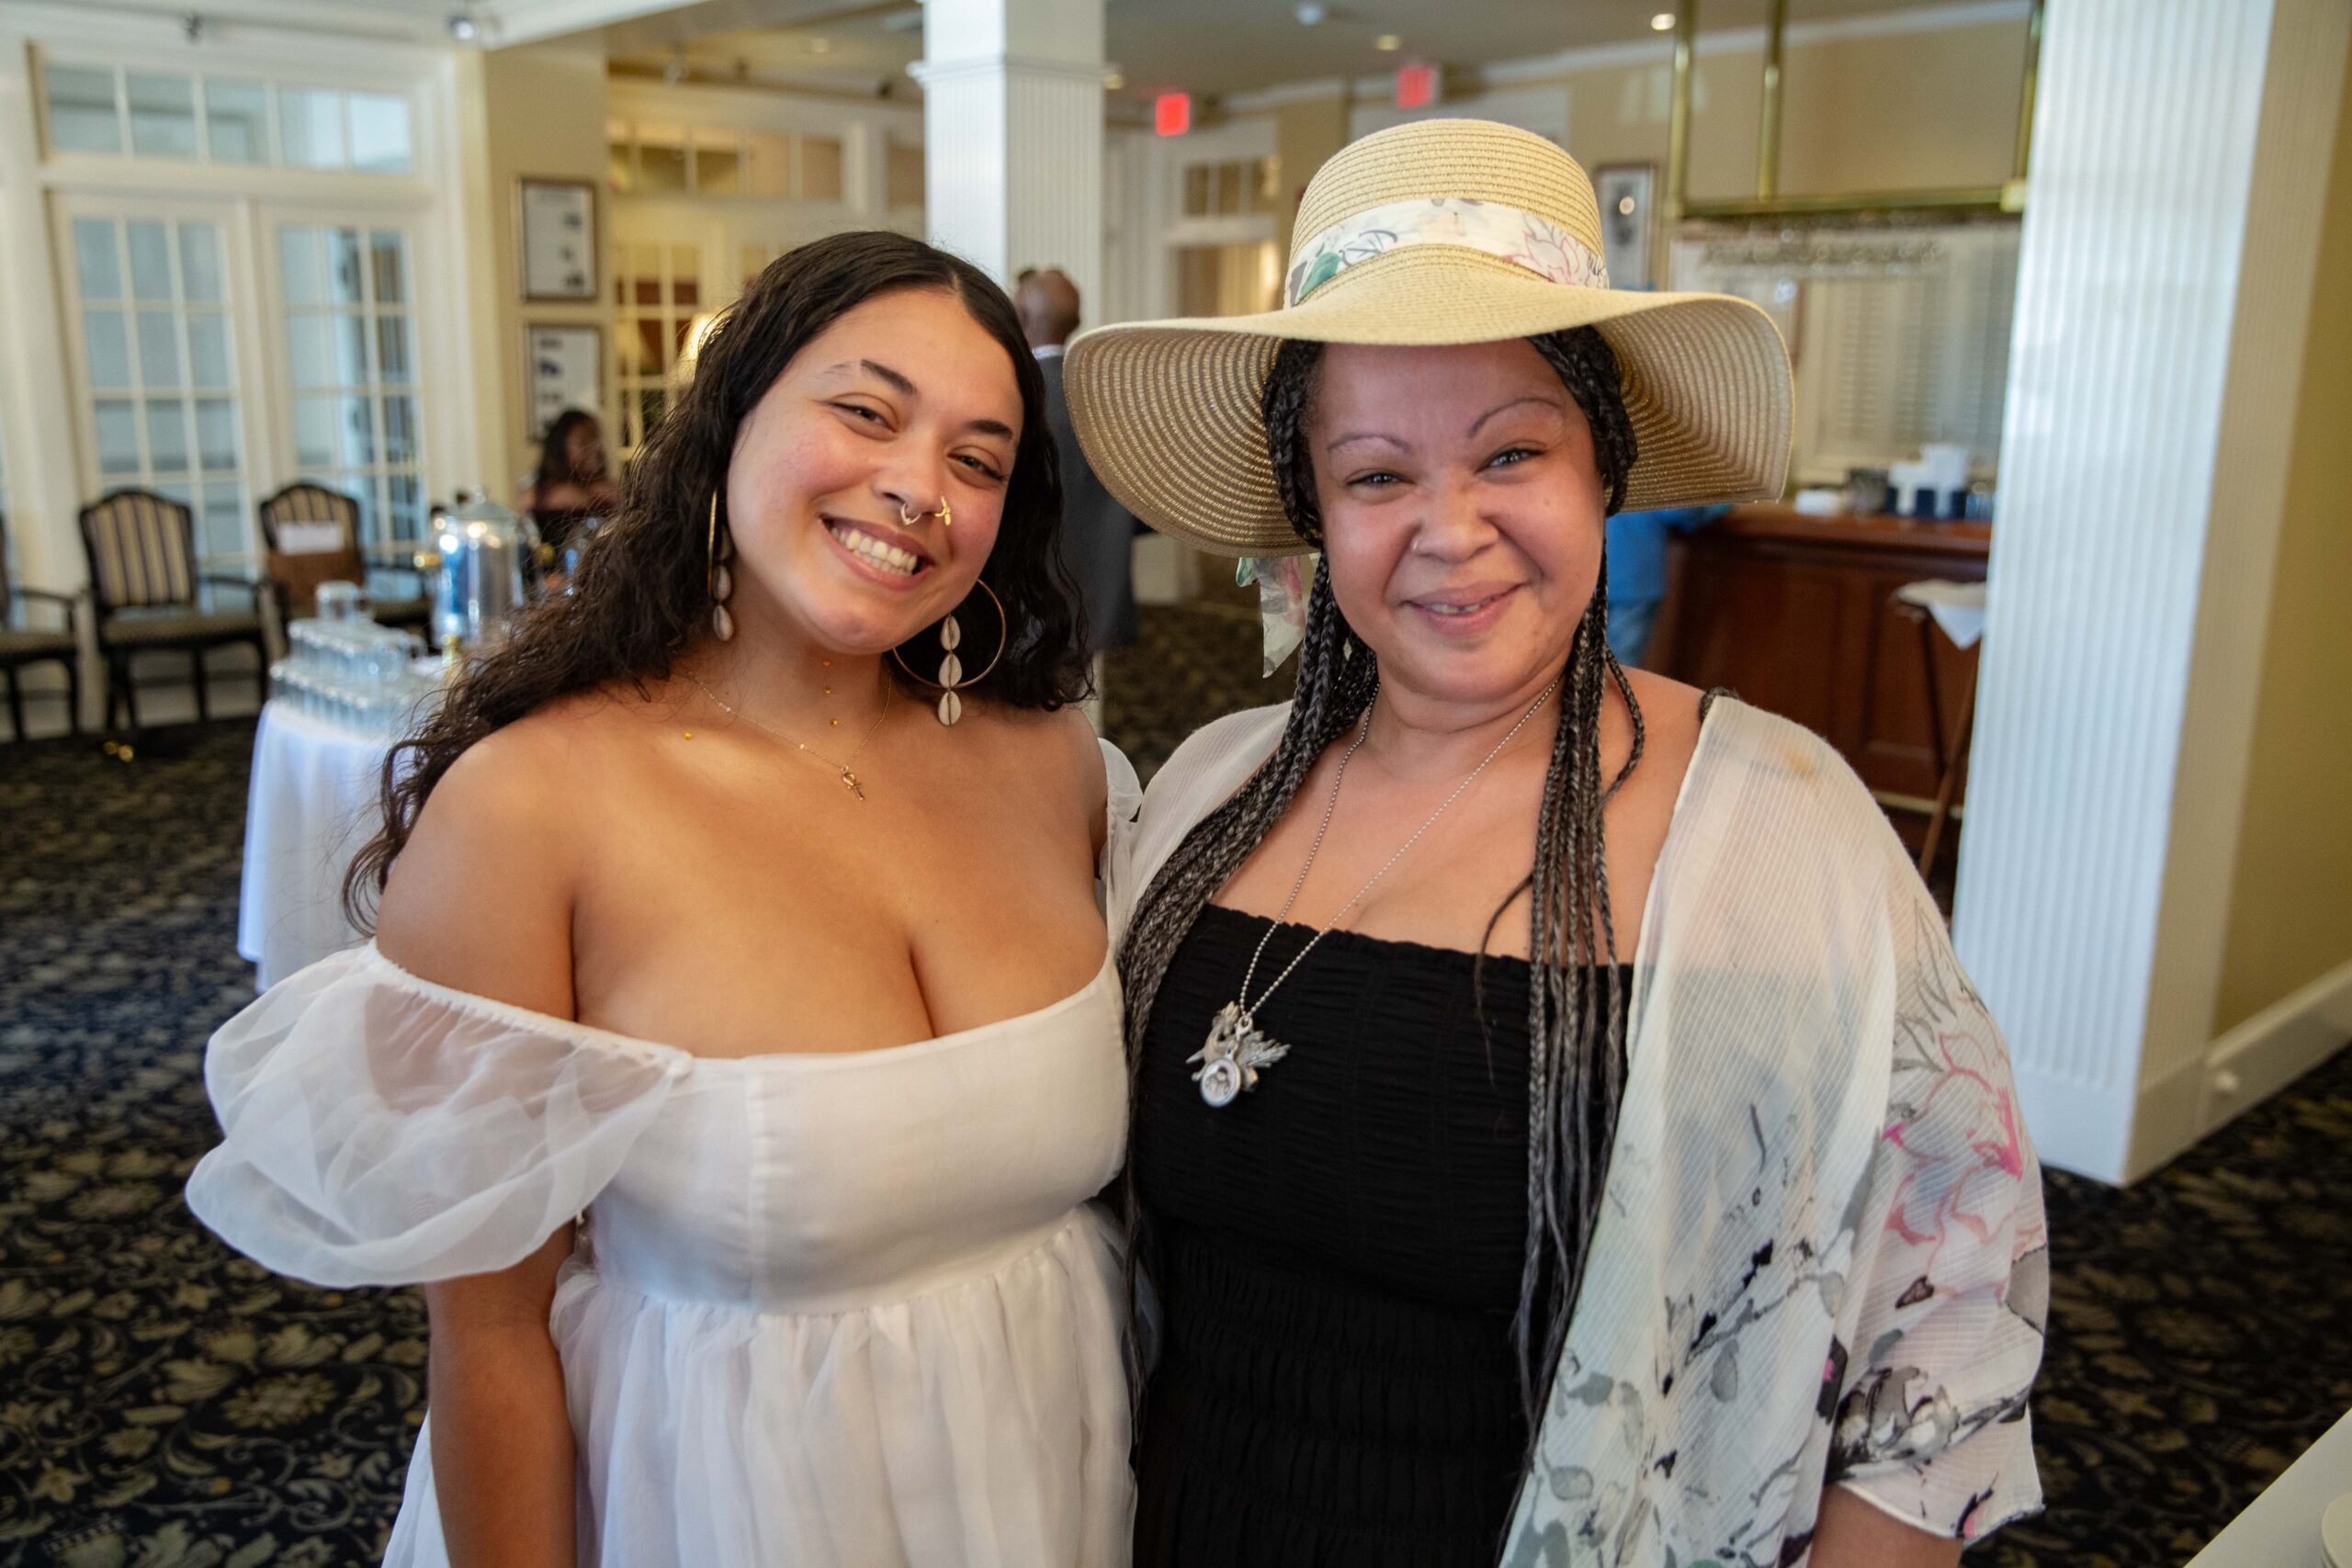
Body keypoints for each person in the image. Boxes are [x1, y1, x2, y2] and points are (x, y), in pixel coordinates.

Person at [1067, 119, 2047, 1568]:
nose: (1450, 529)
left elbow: (1949, 1325)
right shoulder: (1214, 790)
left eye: (1510, 450)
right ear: (1314, 514)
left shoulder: (1780, 827)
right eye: (1378, 475)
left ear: (1603, 470)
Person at [187, 231, 1134, 1567]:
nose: (920, 485)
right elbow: (493, 1335)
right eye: (866, 411)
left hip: (1049, 1466)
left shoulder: (1060, 767)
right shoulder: (535, 805)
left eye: (978, 458)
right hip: (719, 1499)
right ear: (731, 418)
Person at [1019, 268, 1138, 700]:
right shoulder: (1104, 397)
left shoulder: (1018, 399)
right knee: (1069, 714)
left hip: (1023, 603)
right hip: (1094, 600)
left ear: (1023, 316)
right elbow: (1137, 500)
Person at [515, 408, 623, 558]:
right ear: (561, 447)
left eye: (597, 439)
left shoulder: (603, 487)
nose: (596, 447)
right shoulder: (541, 491)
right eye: (584, 441)